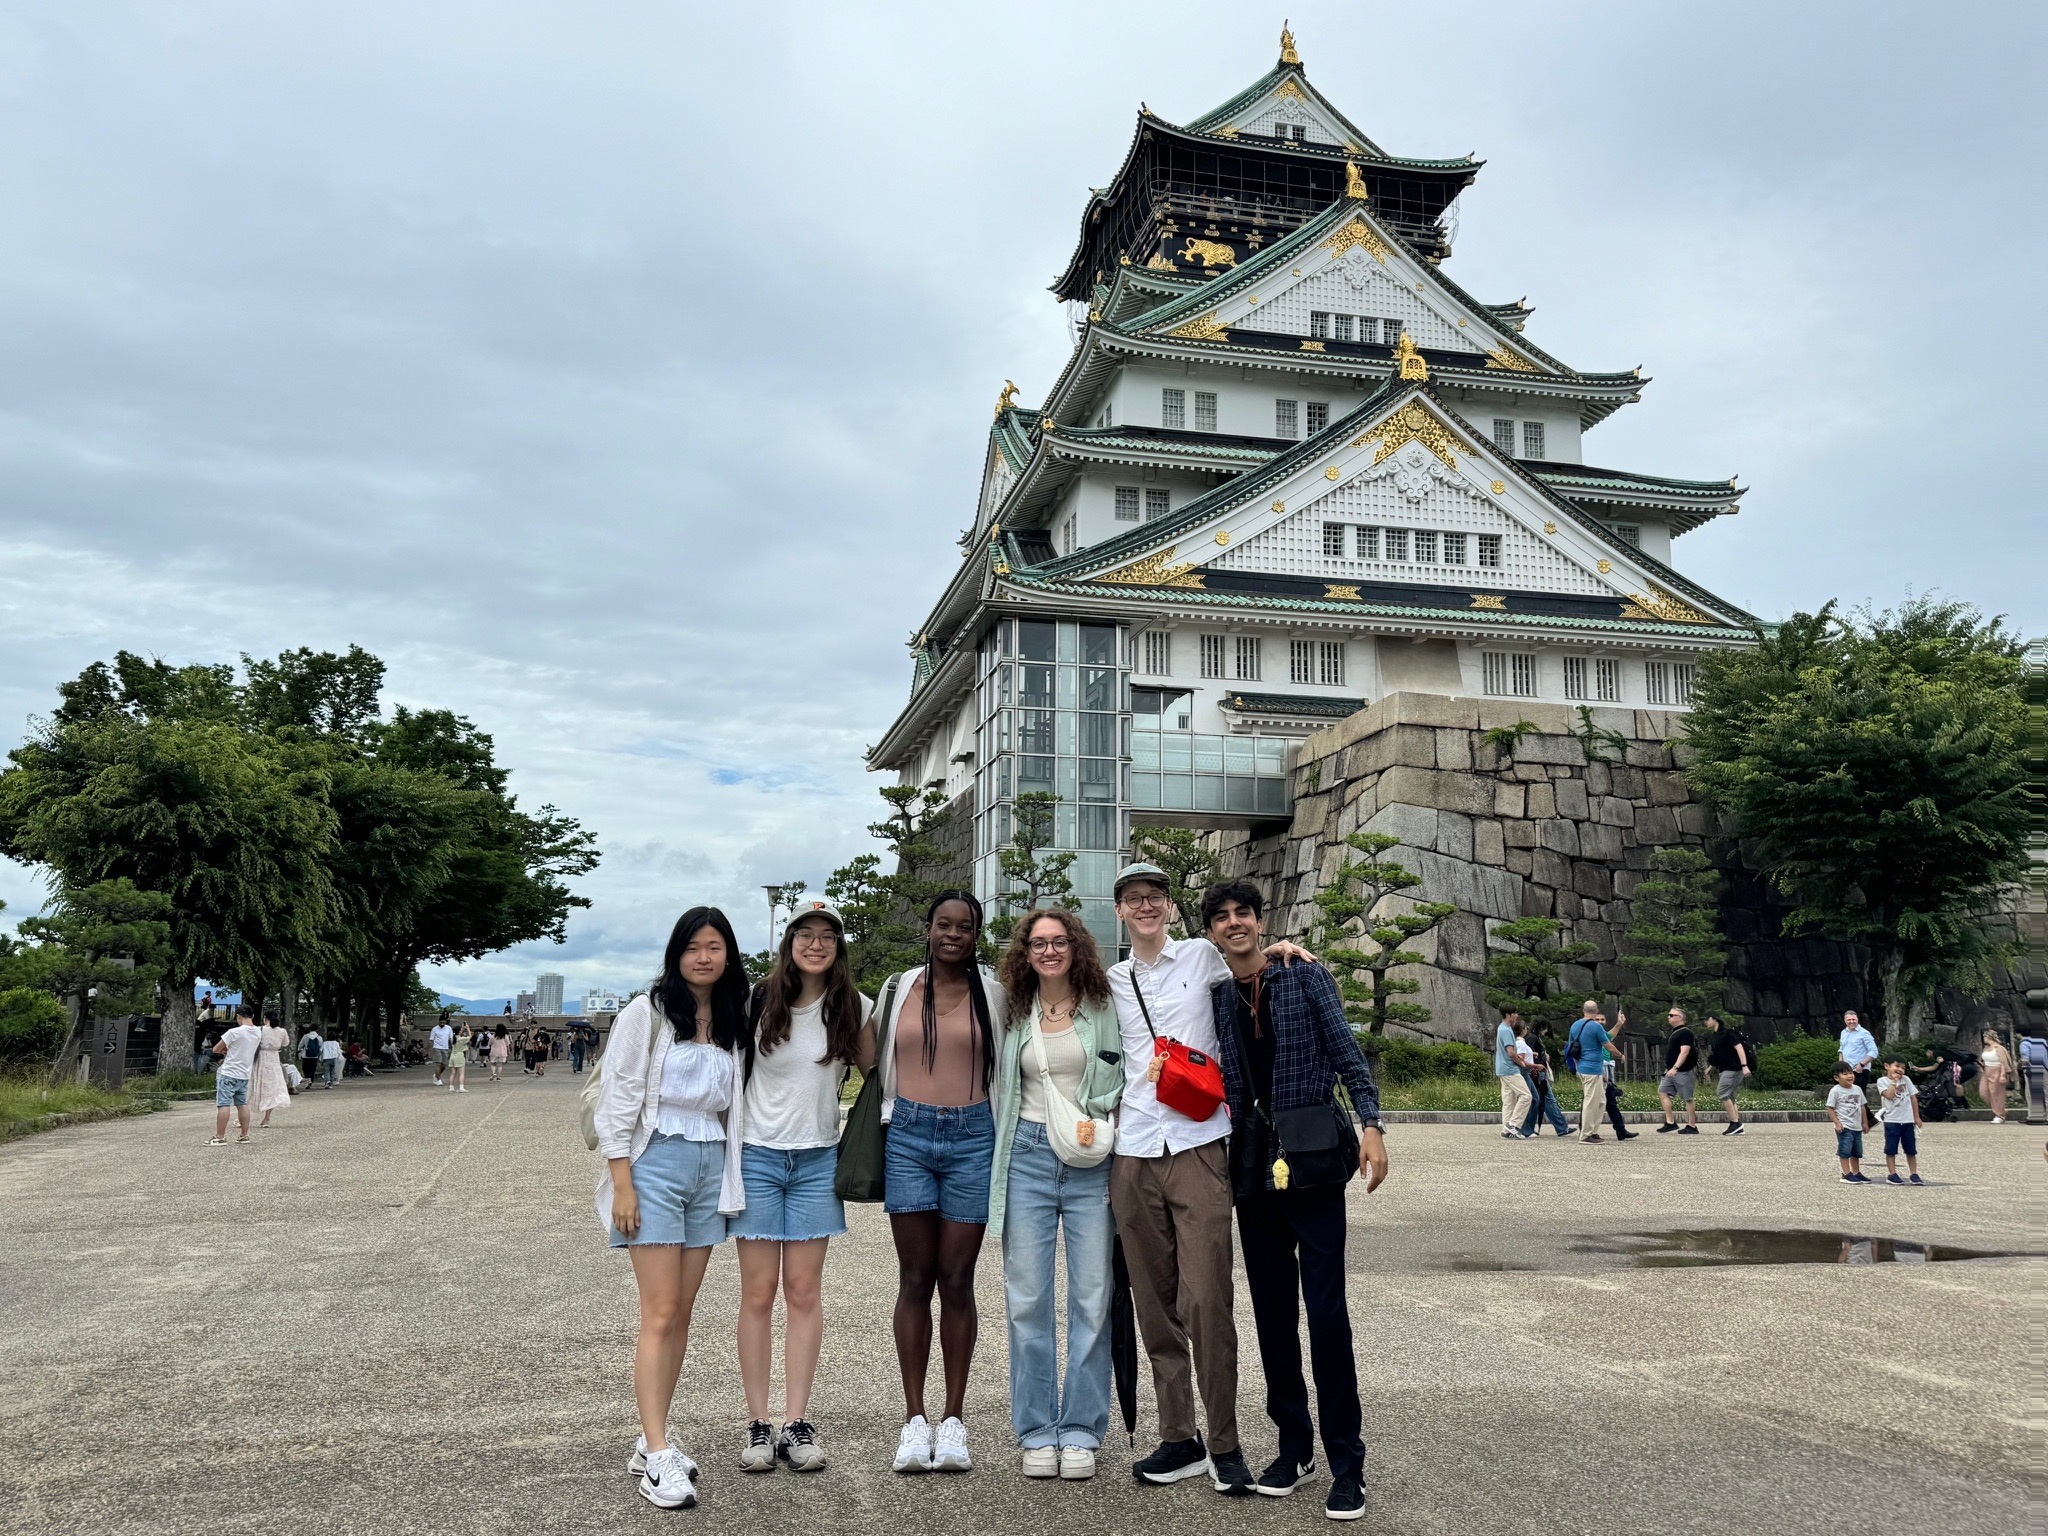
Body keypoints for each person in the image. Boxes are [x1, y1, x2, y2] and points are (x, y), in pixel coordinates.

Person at [1103, 862, 1310, 1498]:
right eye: (1134, 899)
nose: (1145, 906)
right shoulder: (1110, 981)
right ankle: (1179, 1437)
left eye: (1155, 897)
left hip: (1198, 1144)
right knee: (1155, 1302)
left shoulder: (1201, 957)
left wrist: (1282, 950)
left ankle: (1224, 1440)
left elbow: (1251, 969)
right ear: (1120, 911)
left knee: (1207, 1298)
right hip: (1132, 1150)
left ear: (1169, 906)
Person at [1205, 882, 1386, 1523]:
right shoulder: (1218, 996)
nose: (1235, 924)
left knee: (1328, 1313)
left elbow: (1344, 1051)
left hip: (1313, 1159)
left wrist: (1371, 1124)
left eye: (1243, 914)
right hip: (1253, 1167)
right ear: (1211, 932)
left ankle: (1347, 1461)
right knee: (1274, 1315)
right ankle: (1293, 1446)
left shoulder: (1304, 977)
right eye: (1222, 918)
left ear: (1261, 921)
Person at [593, 906, 750, 1511]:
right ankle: (658, 1454)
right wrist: (622, 1182)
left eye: (714, 947)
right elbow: (619, 1096)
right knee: (658, 1311)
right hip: (654, 1164)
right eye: (693, 947)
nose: (704, 957)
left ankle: (650, 1435)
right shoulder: (648, 1012)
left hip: (711, 1167)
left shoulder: (732, 1017)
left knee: (681, 1312)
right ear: (676, 953)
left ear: (729, 955)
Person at [730, 899, 873, 1475]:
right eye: (805, 934)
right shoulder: (758, 1002)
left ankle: (797, 1421)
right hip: (759, 1157)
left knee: (804, 1293)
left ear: (839, 948)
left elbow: (879, 1073)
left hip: (817, 1161)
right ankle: (759, 1422)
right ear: (789, 943)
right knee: (759, 1293)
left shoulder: (852, 1007)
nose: (815, 944)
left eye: (827, 936)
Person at [990, 906, 1124, 1482]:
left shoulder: (1102, 1005)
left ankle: (1082, 1429)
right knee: (1028, 1300)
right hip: (1025, 1155)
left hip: (1091, 1159)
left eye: (1059, 941)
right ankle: (1037, 1429)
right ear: (1025, 952)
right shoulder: (1011, 1009)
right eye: (1038, 943)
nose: (1049, 951)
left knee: (1094, 1298)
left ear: (1076, 948)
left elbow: (1121, 1072)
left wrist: (1093, 1113)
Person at [874, 892, 1005, 1476]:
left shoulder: (996, 992)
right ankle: (913, 1418)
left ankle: (953, 1420)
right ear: (927, 929)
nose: (953, 934)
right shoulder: (899, 988)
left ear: (977, 933)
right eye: (943, 925)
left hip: (974, 1136)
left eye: (965, 926)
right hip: (907, 1134)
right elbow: (859, 1044)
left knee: (957, 1278)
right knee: (913, 1277)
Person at [209, 1004, 263, 1145]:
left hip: (229, 1072)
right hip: (244, 1073)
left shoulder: (234, 1032)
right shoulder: (258, 1032)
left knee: (223, 1104)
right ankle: (244, 1135)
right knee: (242, 1104)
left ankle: (220, 1137)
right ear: (252, 1016)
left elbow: (216, 1048)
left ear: (238, 1017)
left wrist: (226, 1049)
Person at [1565, 1002, 1614, 1145]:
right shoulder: (1596, 1027)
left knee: (1600, 1101)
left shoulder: (1575, 1026)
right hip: (1591, 1068)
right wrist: (1619, 1054)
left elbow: (1570, 1045)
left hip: (1585, 1067)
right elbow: (1607, 1044)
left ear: (1583, 1010)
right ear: (1597, 1011)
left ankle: (1592, 1131)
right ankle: (1586, 1134)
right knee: (1591, 1101)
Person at [1517, 1020, 1572, 1138]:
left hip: (1537, 1071)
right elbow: (1527, 1055)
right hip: (1537, 1072)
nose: (1546, 1031)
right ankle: (1561, 1127)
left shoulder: (1533, 1037)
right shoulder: (1533, 1038)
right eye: (1545, 1028)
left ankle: (1560, 1127)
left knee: (1542, 1100)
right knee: (1546, 1099)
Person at [1875, 1058, 1924, 1184]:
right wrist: (1894, 1082)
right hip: (1892, 1120)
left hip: (1907, 1120)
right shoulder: (1882, 1081)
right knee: (1891, 1148)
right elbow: (1889, 1095)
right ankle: (1892, 1173)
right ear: (1887, 1066)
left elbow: (1913, 1097)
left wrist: (1916, 1116)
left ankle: (1914, 1173)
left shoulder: (1906, 1080)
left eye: (1903, 1068)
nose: (1900, 1070)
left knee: (1910, 1149)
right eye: (1897, 1066)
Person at [1704, 1015, 1751, 1134]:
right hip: (1724, 1069)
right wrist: (1711, 1067)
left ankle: (1734, 1123)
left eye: (1707, 1019)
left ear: (1715, 1019)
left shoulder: (1728, 1033)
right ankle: (1738, 1124)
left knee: (1722, 1093)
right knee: (1729, 1096)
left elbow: (1739, 1048)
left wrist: (1744, 1066)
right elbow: (1720, 1054)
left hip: (1733, 1068)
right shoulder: (1716, 1036)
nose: (1705, 1022)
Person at [1656, 1008, 1699, 1134]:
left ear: (1680, 1017)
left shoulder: (1686, 1033)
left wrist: (1676, 1067)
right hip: (1670, 1070)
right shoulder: (1674, 1032)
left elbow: (1684, 1052)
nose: (1668, 1017)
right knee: (1663, 1092)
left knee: (1687, 1098)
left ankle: (1691, 1125)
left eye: (1671, 1015)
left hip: (1683, 1070)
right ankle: (1670, 1122)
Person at [1826, 1063, 1870, 1182]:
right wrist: (1837, 1123)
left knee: (1856, 1151)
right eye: (1845, 1074)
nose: (1849, 1076)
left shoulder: (1857, 1089)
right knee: (1845, 1150)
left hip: (1856, 1126)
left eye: (1850, 1073)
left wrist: (1865, 1123)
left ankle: (1856, 1172)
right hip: (1844, 1126)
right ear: (1837, 1078)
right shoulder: (1835, 1091)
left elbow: (1862, 1107)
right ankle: (1846, 1173)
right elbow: (1830, 1108)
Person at [1494, 1009, 1532, 1140]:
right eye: (1514, 1013)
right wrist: (1521, 1062)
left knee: (1509, 1100)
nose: (1517, 1015)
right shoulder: (1506, 1030)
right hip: (1509, 1069)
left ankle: (1506, 1130)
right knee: (1526, 1096)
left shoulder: (1502, 1028)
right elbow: (1510, 1052)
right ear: (1507, 1015)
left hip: (1502, 1068)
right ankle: (1514, 1125)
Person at [249, 1013, 292, 1128]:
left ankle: (244, 1117)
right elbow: (285, 1043)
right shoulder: (282, 1031)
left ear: (265, 1019)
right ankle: (267, 1118)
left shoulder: (259, 1029)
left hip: (260, 1058)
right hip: (274, 1059)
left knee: (256, 1085)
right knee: (272, 1087)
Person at [1838, 1011, 1880, 1093]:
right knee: (1847, 1094)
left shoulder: (1864, 1033)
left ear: (1857, 1019)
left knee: (1859, 1095)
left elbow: (1874, 1051)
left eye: (1853, 1019)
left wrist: (1861, 1064)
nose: (1851, 1021)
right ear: (1845, 1020)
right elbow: (1841, 1050)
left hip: (1860, 1070)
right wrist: (1840, 1067)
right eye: (1849, 1020)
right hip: (1846, 1070)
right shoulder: (1843, 1032)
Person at [1977, 1032, 2012, 1123]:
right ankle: (2000, 1109)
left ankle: (1999, 1115)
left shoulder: (1999, 1048)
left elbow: (2003, 1062)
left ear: (1988, 1037)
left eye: (1985, 1037)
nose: (1984, 1039)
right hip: (1986, 1071)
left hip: (1997, 1070)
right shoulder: (1986, 1048)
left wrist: (2002, 1075)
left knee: (1996, 1093)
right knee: (1983, 1092)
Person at [2017, 1033, 2048, 1124]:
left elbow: (2025, 1058)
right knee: (2046, 1093)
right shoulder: (2042, 1041)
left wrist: (2026, 1070)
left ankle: (2034, 1117)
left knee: (2030, 1093)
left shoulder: (2024, 1042)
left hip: (2033, 1069)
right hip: (2045, 1068)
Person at [429, 1015, 454, 1086]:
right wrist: (429, 1049)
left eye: (443, 1022)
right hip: (437, 1047)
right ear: (438, 1022)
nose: (442, 1024)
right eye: (441, 1023)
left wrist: (453, 1047)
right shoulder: (435, 1029)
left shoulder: (449, 1028)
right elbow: (431, 1040)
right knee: (438, 1063)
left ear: (446, 1022)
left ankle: (436, 1075)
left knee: (444, 1065)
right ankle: (438, 1079)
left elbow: (451, 1038)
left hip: (445, 1048)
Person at [447, 1021, 470, 1093]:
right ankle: (461, 1087)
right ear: (459, 1031)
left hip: (452, 1056)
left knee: (453, 1073)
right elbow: (470, 1037)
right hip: (459, 1056)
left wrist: (462, 1028)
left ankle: (451, 1087)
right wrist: (468, 1028)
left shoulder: (452, 1038)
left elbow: (458, 1034)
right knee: (461, 1073)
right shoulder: (462, 1039)